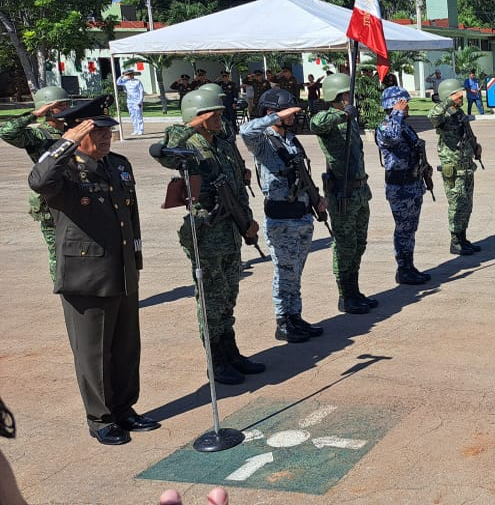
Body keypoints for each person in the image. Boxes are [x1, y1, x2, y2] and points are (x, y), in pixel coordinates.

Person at [28, 95, 159, 445]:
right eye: (96, 132)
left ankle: (124, 409)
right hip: (86, 276)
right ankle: (100, 418)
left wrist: (136, 258)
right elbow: (39, 181)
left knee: (127, 347)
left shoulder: (117, 164)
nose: (106, 138)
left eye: (107, 131)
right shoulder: (64, 169)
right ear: (77, 131)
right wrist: (65, 143)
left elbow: (129, 218)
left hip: (122, 269)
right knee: (94, 352)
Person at [153, 88, 266, 384]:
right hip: (207, 232)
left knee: (229, 295)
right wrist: (190, 124)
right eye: (213, 114)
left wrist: (248, 221)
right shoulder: (187, 145)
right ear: (199, 117)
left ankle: (231, 352)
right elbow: (163, 152)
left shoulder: (224, 145)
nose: (220, 118)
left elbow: (237, 187)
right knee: (211, 299)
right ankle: (216, 361)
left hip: (230, 230)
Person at [240, 88, 325, 343]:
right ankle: (283, 321)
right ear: (271, 112)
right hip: (281, 219)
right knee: (284, 272)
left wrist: (317, 198)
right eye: (288, 112)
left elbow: (302, 174)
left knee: (295, 272)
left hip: (301, 216)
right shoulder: (263, 141)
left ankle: (295, 316)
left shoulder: (290, 138)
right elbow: (245, 131)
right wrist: (274, 118)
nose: (293, 117)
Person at [310, 73, 378, 314]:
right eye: (346, 95)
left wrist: (348, 115)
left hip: (360, 190)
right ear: (335, 96)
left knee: (359, 243)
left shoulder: (351, 119)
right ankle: (345, 295)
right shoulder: (329, 118)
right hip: (343, 194)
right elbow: (315, 123)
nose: (351, 98)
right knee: (344, 245)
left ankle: (354, 289)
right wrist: (343, 114)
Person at [0, 85, 69, 282]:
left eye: (66, 105)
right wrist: (34, 114)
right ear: (47, 109)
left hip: (74, 195)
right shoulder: (37, 135)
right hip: (50, 201)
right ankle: (64, 290)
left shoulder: (74, 130)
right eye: (59, 106)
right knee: (58, 251)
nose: (65, 109)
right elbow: (7, 132)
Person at [375, 86, 432, 285]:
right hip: (399, 187)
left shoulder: (405, 126)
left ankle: (409, 266)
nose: (406, 107)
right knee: (403, 228)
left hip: (413, 183)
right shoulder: (385, 126)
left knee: (410, 228)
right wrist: (397, 113)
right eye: (402, 103)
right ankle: (403, 268)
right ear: (393, 105)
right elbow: (392, 137)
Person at [429, 78, 483, 255]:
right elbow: (432, 116)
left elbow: (467, 132)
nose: (462, 98)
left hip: (466, 165)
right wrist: (448, 102)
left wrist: (475, 146)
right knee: (456, 204)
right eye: (458, 95)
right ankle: (455, 241)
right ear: (449, 96)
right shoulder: (443, 115)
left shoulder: (459, 113)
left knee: (467, 204)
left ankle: (463, 237)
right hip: (453, 167)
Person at [117, 69, 145, 136]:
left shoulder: (137, 82)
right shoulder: (126, 82)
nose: (129, 76)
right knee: (132, 116)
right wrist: (122, 76)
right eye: (127, 75)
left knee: (139, 116)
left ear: (133, 74)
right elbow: (118, 82)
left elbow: (141, 91)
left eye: (130, 74)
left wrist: (140, 101)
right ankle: (136, 130)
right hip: (130, 101)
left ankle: (140, 130)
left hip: (137, 101)